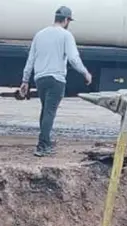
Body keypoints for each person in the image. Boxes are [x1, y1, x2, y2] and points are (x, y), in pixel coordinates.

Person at [20, 6, 93, 157]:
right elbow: (73, 58)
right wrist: (85, 72)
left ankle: (45, 140)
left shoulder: (39, 35)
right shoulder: (66, 35)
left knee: (45, 109)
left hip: (40, 78)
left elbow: (31, 59)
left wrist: (25, 80)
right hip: (56, 79)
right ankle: (42, 145)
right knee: (49, 111)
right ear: (66, 20)